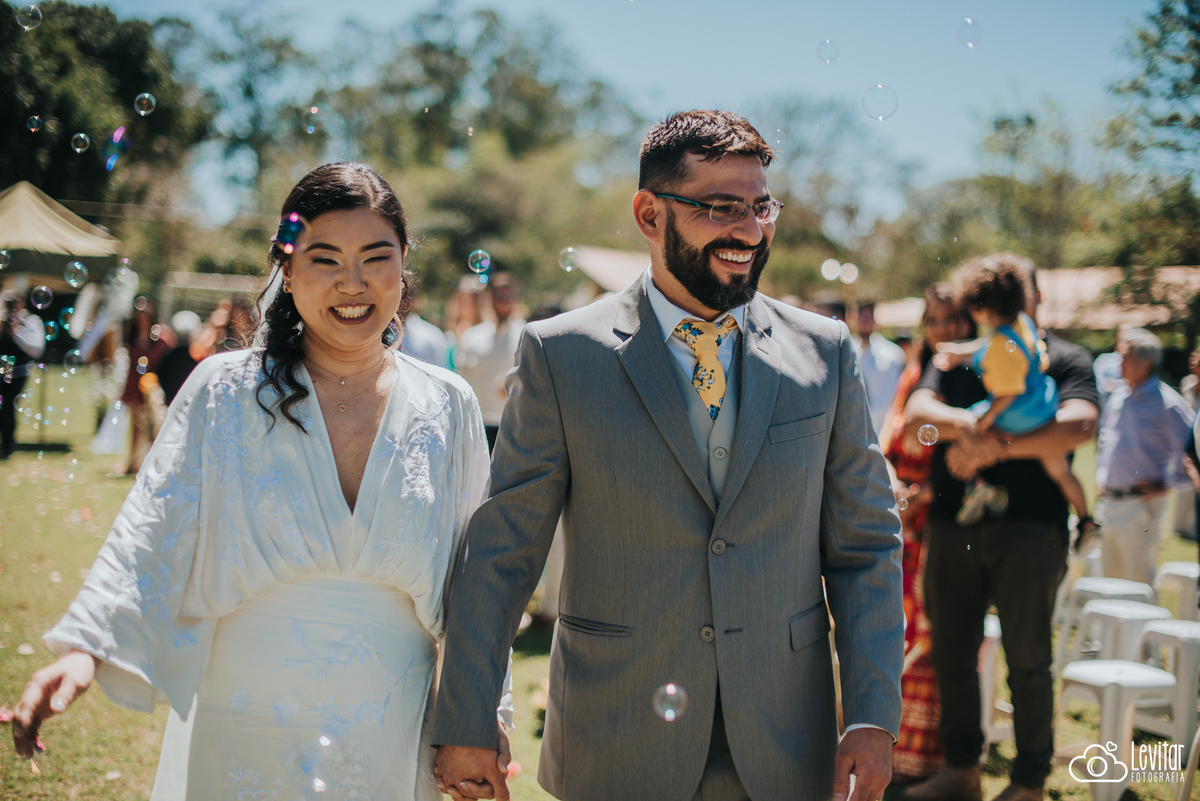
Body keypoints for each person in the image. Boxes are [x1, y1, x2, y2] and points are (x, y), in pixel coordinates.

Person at [432, 110, 904, 801]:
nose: (749, 231)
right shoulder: (561, 355)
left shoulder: (825, 353)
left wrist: (870, 713)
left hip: (785, 745)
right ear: (650, 214)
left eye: (760, 206)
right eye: (720, 208)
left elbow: (865, 546)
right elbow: (503, 550)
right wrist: (467, 712)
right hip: (615, 739)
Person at [11, 162, 511, 800]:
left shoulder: (449, 402)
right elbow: (153, 526)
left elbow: (477, 581)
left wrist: (476, 716)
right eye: (324, 259)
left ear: (403, 262)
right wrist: (86, 650)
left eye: (374, 257)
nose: (352, 284)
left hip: (392, 725)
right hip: (244, 724)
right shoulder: (225, 392)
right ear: (287, 268)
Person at [903, 252, 1100, 801]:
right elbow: (919, 413)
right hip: (952, 527)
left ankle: (1029, 781)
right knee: (952, 655)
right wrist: (971, 430)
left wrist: (995, 447)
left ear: (1034, 298)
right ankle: (961, 771)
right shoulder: (962, 355)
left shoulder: (1065, 358)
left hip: (1032, 531)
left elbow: (1079, 425)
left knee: (1029, 661)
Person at [879, 283, 974, 781]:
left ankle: (924, 757)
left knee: (931, 637)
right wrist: (894, 487)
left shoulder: (969, 379)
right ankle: (888, 750)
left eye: (951, 319)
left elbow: (964, 460)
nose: (942, 330)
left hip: (938, 524)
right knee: (895, 632)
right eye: (934, 320)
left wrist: (925, 496)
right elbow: (889, 443)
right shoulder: (915, 374)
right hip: (901, 527)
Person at [933, 260, 1095, 537]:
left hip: (1018, 410)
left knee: (966, 431)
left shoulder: (999, 346)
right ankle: (1087, 520)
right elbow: (986, 345)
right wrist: (958, 352)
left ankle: (977, 484)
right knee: (1062, 471)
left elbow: (1008, 391)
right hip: (1042, 405)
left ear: (982, 308)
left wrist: (986, 419)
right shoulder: (1021, 324)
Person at [1093, 328, 1194, 584]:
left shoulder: (1166, 402)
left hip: (1140, 506)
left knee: (1137, 582)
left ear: (1145, 363)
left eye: (1125, 357)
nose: (1119, 363)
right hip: (1109, 503)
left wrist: (1168, 485)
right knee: (1108, 583)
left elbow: (1192, 450)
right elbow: (1107, 442)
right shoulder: (1118, 396)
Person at [455, 272, 525, 451]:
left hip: (512, 428)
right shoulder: (472, 337)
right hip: (476, 427)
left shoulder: (526, 336)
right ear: (489, 298)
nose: (503, 302)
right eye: (498, 296)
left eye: (507, 296)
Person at [120, 299, 172, 474]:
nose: (142, 318)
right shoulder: (132, 337)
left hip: (152, 385)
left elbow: (166, 356)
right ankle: (132, 462)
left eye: (145, 314)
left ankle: (151, 462)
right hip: (135, 382)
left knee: (152, 426)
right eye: (140, 315)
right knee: (135, 425)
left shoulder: (160, 338)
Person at [0, 290, 46, 459]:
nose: (11, 306)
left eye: (14, 302)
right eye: (8, 303)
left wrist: (15, 332)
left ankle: (7, 445)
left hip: (19, 371)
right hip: (3, 368)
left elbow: (37, 349)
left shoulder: (31, 322)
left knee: (7, 407)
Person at [855, 300, 908, 436]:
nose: (865, 322)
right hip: (855, 431)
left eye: (868, 317)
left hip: (885, 431)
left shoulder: (893, 354)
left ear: (875, 320)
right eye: (862, 317)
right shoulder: (845, 350)